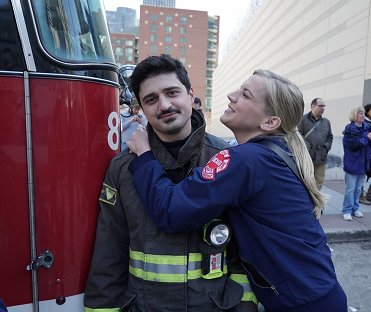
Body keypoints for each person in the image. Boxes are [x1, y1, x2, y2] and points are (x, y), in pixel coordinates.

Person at [128, 70, 347, 312]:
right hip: (317, 295)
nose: (232, 96)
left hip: (301, 303)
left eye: (245, 94)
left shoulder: (247, 160)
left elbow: (171, 210)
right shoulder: (274, 153)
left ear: (270, 122)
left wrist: (145, 156)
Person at [84, 55, 257, 311]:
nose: (164, 105)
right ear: (141, 109)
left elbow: (245, 251)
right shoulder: (122, 169)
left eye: (172, 92)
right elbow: (109, 254)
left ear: (190, 94)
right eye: (151, 99)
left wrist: (244, 306)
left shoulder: (226, 160)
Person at [341, 106, 371, 221]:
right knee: (350, 188)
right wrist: (368, 138)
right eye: (360, 114)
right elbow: (353, 145)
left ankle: (355, 208)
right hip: (352, 163)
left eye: (363, 113)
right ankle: (347, 210)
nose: (363, 116)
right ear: (354, 116)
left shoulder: (367, 127)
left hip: (363, 163)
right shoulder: (349, 129)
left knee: (358, 189)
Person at [298, 97, 333, 190]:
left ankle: (316, 203)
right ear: (313, 106)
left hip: (321, 157)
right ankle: (305, 202)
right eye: (320, 106)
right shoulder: (303, 119)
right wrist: (307, 146)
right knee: (305, 181)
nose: (323, 108)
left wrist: (326, 148)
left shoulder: (326, 122)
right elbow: (297, 135)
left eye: (323, 106)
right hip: (307, 157)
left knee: (319, 181)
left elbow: (330, 137)